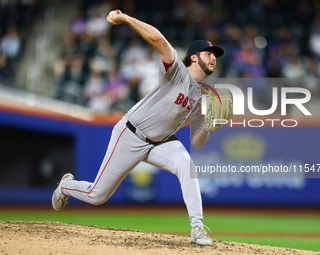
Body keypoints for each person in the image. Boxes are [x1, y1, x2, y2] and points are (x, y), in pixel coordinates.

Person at [52, 9, 224, 246]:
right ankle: (66, 186)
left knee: (187, 164)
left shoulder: (203, 97)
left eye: (216, 55)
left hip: (161, 142)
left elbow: (196, 142)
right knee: (97, 196)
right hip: (131, 134)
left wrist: (206, 126)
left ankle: (197, 227)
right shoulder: (177, 72)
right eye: (209, 53)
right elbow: (157, 39)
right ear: (194, 57)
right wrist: (125, 18)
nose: (214, 57)